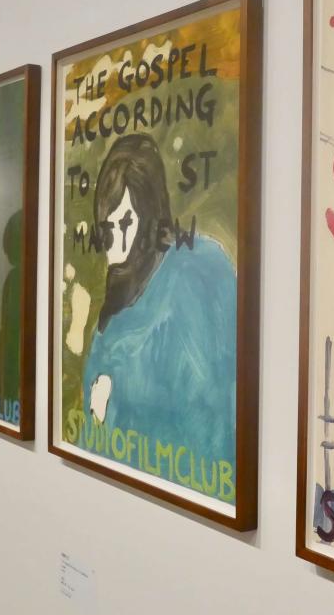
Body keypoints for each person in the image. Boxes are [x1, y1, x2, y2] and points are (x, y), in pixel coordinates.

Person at [81, 135, 237, 477]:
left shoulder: (194, 273)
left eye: (126, 223)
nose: (116, 243)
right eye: (108, 227)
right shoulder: (116, 305)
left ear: (150, 215)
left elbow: (204, 410)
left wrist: (112, 401)